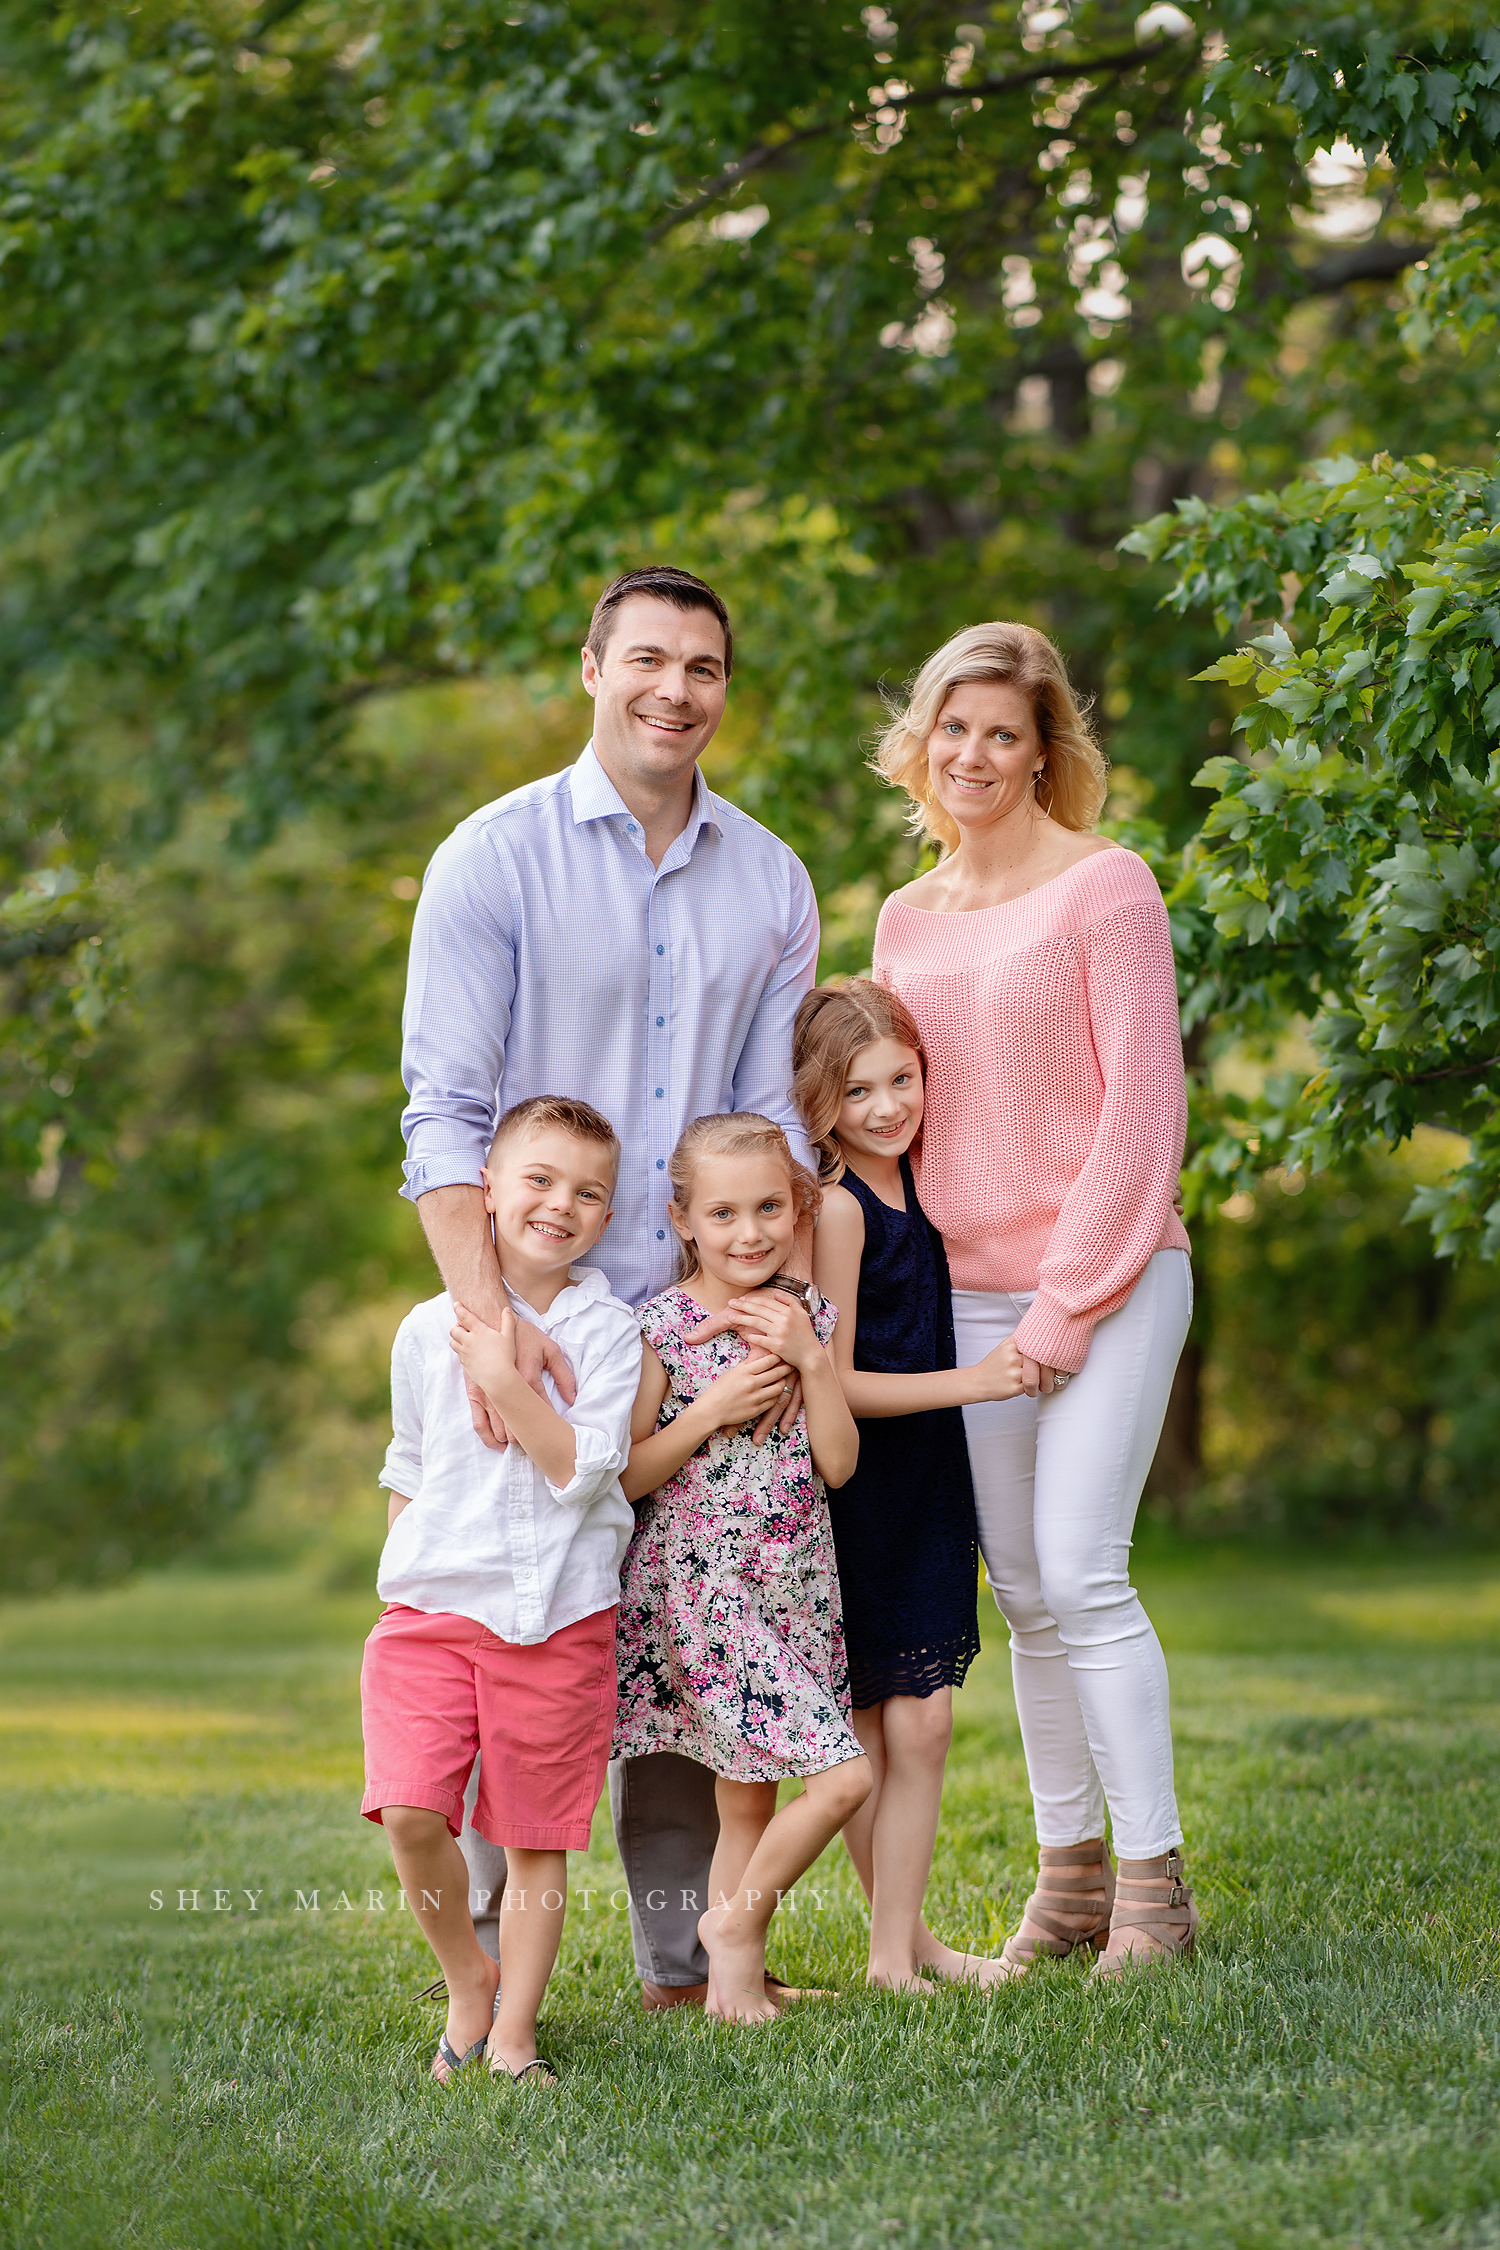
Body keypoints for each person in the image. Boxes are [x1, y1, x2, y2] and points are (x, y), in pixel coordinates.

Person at [398, 565, 819, 2004]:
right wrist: (489, 1327)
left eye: (703, 666)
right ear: (592, 669)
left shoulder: (772, 880)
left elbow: (779, 1121)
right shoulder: (491, 858)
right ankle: (486, 1974)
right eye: (647, 658)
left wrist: (785, 1314)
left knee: (686, 1640)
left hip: (696, 1321)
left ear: (722, 688)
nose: (675, 689)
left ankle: (675, 1960)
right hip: (542, 1315)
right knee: (511, 1616)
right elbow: (443, 1113)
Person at [870, 621, 1198, 1977]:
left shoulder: (1107, 887)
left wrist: (1067, 1306)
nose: (975, 755)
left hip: (1112, 1277)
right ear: (922, 741)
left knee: (1084, 1569)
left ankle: (1154, 1893)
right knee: (1025, 1598)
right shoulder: (903, 917)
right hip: (967, 1297)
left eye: (1005, 733)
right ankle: (1066, 1885)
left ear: (1046, 750)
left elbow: (1146, 1110)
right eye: (955, 728)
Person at [361, 1097, 643, 2083]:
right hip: (431, 1610)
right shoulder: (421, 1328)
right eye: (538, 1178)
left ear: (608, 1216)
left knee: (534, 1839)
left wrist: (504, 1371)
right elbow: (410, 1461)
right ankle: (466, 1980)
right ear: (487, 1185)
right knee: (408, 1812)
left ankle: (514, 2034)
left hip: (557, 1614)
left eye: (587, 1192)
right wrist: (399, 1574)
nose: (559, 1204)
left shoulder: (609, 1336)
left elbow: (582, 1467)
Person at [794, 979, 1027, 1988]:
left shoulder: (922, 1180)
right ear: (820, 1103)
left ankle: (910, 1940)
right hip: (861, 1482)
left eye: (903, 1078)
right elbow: (833, 1379)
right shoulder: (840, 1209)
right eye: (858, 1091)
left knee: (926, 1719)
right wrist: (971, 1383)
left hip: (934, 1475)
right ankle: (895, 1954)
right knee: (873, 1720)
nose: (888, 1107)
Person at [613, 1114, 872, 2021]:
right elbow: (630, 1472)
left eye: (769, 1207)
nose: (750, 1232)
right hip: (703, 1590)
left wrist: (810, 1360)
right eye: (723, 1213)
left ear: (796, 1206)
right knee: (843, 1777)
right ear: (684, 1220)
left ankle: (729, 1984)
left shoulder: (812, 1317)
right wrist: (711, 1407)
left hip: (793, 1582)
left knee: (748, 1804)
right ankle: (733, 1927)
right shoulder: (659, 1329)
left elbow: (838, 1465)